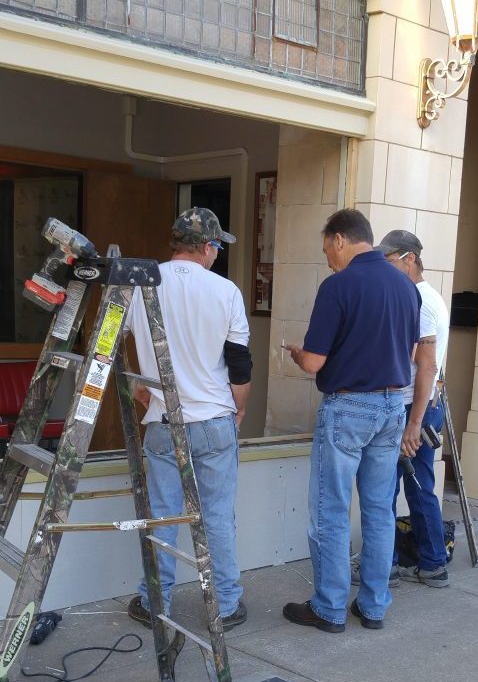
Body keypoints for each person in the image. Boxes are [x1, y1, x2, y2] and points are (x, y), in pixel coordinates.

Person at [282, 209, 420, 632]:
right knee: (380, 510)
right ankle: (374, 605)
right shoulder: (406, 286)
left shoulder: (338, 286)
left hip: (348, 408)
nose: (328, 259)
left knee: (331, 510)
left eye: (327, 249)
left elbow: (315, 361)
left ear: (340, 239)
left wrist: (296, 353)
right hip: (392, 405)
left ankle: (328, 607)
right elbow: (410, 353)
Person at [125, 206, 252, 631]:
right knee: (216, 516)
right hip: (215, 419)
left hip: (162, 422)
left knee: (163, 515)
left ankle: (154, 602)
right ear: (207, 246)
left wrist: (138, 387)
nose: (217, 254)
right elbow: (239, 365)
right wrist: (241, 409)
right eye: (217, 246)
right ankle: (227, 604)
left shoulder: (139, 286)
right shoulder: (226, 291)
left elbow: (119, 341)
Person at [382, 229, 450, 587]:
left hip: (415, 406)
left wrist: (414, 424)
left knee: (403, 485)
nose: (385, 266)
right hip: (421, 405)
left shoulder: (420, 300)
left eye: (389, 260)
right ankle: (430, 562)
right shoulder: (424, 296)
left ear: (409, 259)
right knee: (414, 483)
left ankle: (392, 563)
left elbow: (424, 365)